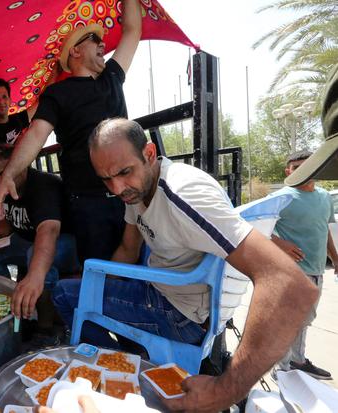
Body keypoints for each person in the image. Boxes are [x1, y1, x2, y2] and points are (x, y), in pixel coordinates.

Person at [53, 118, 318, 411]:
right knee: (86, 287)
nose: (117, 188)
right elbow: (129, 249)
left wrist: (224, 391)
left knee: (63, 293)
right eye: (105, 178)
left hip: (179, 313)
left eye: (124, 172)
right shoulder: (136, 190)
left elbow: (290, 284)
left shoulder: (183, 193)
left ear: (150, 154)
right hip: (167, 290)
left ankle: (120, 372)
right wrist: (95, 282)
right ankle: (130, 365)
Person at [0, 0, 142, 264]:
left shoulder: (112, 77)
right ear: (74, 50)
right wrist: (9, 173)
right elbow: (37, 135)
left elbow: (132, 31)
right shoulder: (56, 94)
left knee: (138, 268)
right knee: (99, 272)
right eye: (93, 39)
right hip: (89, 204)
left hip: (132, 196)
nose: (102, 44)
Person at [0, 144, 79, 343]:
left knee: (36, 255)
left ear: (21, 164)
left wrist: (34, 275)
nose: (0, 181)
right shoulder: (1, 186)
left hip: (64, 243)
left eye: (3, 174)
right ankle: (11, 308)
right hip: (26, 240)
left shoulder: (43, 185)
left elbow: (48, 231)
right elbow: (5, 219)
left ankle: (46, 328)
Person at [270, 150, 337, 380]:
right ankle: (282, 369)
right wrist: (281, 243)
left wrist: (335, 257)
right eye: (297, 168)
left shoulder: (325, 197)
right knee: (288, 321)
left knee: (305, 320)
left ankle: (297, 361)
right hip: (291, 273)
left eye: (308, 166)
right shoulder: (281, 198)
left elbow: (324, 229)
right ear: (288, 172)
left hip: (317, 270)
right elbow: (254, 226)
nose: (303, 171)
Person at [0, 78, 39, 238]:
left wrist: (56, 71)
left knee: (24, 234)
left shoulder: (18, 119)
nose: (1, 102)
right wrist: (14, 153)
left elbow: (40, 103)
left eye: (4, 96)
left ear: (10, 99)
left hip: (19, 190)